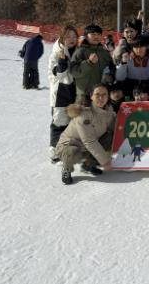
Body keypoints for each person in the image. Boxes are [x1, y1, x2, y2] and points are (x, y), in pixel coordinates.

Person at [55, 85, 116, 185]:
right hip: (70, 145)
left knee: (109, 137)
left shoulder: (109, 111)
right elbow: (89, 141)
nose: (101, 98)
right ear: (91, 96)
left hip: (87, 146)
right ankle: (66, 169)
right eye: (97, 95)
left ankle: (88, 164)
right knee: (72, 151)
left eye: (104, 94)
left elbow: (116, 127)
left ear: (108, 96)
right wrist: (105, 161)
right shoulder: (84, 114)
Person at [47, 25, 79, 161]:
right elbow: (58, 74)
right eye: (68, 36)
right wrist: (62, 62)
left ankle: (69, 149)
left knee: (73, 123)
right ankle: (54, 149)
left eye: (74, 36)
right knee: (59, 122)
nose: (72, 39)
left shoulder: (78, 51)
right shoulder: (56, 52)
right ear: (62, 38)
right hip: (60, 92)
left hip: (74, 91)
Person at [69, 24, 113, 105]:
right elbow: (74, 72)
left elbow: (112, 69)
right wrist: (89, 63)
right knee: (83, 113)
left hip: (102, 95)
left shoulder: (105, 53)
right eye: (93, 34)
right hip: (84, 95)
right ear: (86, 36)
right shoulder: (80, 51)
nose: (96, 36)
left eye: (98, 34)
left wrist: (111, 76)